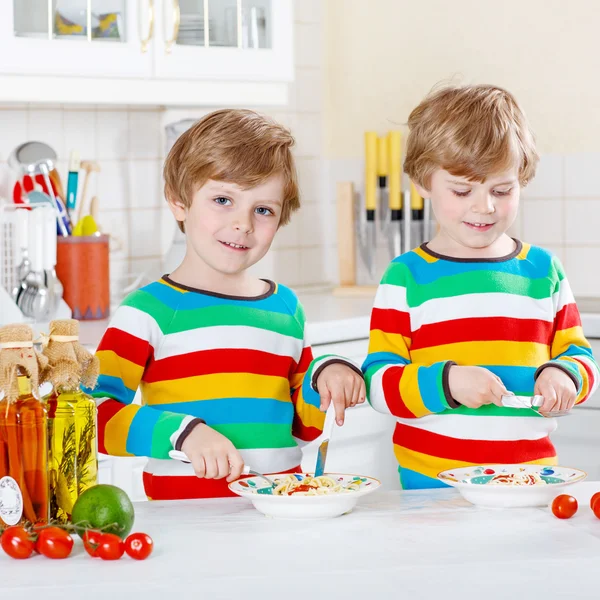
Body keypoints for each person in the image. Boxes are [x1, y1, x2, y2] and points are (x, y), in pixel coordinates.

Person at [89, 109, 365, 499]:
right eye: (223, 199)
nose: (244, 224)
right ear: (179, 202)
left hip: (279, 516)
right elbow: (91, 416)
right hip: (186, 527)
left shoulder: (285, 307)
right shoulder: (148, 311)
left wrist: (326, 377)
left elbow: (302, 429)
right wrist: (183, 434)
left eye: (263, 209)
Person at [362, 84, 599, 489]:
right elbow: (378, 382)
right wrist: (447, 383)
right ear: (423, 182)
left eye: (502, 190)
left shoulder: (543, 272)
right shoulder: (405, 278)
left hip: (528, 483)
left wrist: (564, 376)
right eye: (462, 190)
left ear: (522, 179)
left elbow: (579, 355)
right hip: (431, 488)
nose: (484, 206)